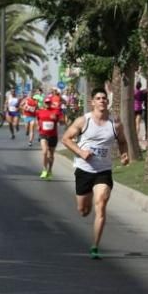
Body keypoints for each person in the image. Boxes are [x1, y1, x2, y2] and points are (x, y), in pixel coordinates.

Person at [60, 87, 130, 259]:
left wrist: (124, 153)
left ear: (108, 101)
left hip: (103, 171)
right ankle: (88, 199)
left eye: (104, 98)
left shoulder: (115, 123)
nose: (102, 100)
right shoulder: (83, 121)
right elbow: (66, 139)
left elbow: (122, 141)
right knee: (83, 210)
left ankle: (95, 246)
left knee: (101, 203)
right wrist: (81, 152)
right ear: (92, 102)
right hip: (84, 169)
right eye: (98, 98)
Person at [35, 97, 66, 180]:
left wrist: (56, 119)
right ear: (44, 103)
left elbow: (63, 122)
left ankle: (50, 170)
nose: (47, 104)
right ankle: (44, 170)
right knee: (44, 152)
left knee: (51, 155)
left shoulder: (56, 111)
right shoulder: (40, 111)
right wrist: (38, 125)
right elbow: (37, 119)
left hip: (53, 136)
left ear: (51, 103)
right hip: (43, 134)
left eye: (49, 103)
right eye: (46, 102)